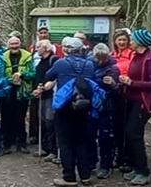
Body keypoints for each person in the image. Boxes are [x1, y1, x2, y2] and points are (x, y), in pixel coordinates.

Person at [46, 37, 96, 187]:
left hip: (65, 106)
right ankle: (85, 176)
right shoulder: (89, 64)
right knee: (81, 141)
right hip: (84, 106)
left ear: (66, 49)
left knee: (65, 142)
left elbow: (48, 76)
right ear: (81, 50)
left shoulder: (61, 63)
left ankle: (69, 177)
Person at [119, 29, 151, 186]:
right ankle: (136, 167)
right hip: (132, 100)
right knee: (130, 133)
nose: (130, 42)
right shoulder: (137, 56)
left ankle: (143, 171)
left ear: (140, 42)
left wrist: (131, 83)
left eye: (132, 39)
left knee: (134, 133)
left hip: (143, 101)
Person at [88, 43, 120, 179]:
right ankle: (91, 161)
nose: (100, 62)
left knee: (105, 137)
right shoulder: (89, 65)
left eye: (103, 59)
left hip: (107, 106)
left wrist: (113, 84)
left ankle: (105, 165)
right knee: (89, 135)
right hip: (91, 106)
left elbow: (118, 91)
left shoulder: (113, 68)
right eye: (98, 58)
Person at [1, 35, 35, 154]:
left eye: (16, 43)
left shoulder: (27, 56)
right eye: (12, 44)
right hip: (7, 92)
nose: (14, 46)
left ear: (20, 44)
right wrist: (10, 80)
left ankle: (21, 144)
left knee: (20, 118)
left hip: (22, 92)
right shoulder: (3, 57)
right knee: (6, 118)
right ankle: (7, 144)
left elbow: (33, 73)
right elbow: (0, 75)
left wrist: (22, 74)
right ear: (8, 45)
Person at [112, 27, 134, 172]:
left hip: (128, 92)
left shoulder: (132, 54)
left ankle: (128, 158)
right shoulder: (112, 55)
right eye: (119, 40)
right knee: (116, 126)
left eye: (124, 40)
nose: (121, 42)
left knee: (127, 127)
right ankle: (119, 155)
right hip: (114, 92)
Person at [32, 40, 58, 160]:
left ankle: (53, 150)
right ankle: (45, 147)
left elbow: (54, 78)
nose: (37, 49)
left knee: (50, 122)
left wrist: (45, 87)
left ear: (46, 48)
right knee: (42, 122)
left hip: (50, 96)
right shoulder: (41, 61)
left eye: (39, 47)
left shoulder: (54, 60)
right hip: (41, 95)